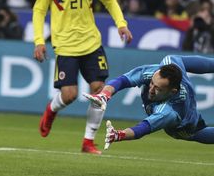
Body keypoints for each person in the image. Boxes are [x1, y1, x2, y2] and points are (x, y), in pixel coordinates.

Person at [33, 0, 133, 154]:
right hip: (66, 46)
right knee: (69, 95)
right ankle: (51, 109)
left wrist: (121, 24)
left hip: (91, 44)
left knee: (99, 92)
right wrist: (39, 40)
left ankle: (88, 141)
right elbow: (39, 11)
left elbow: (110, 0)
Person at [84, 55, 214, 147]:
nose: (151, 89)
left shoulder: (169, 112)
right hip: (177, 84)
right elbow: (122, 80)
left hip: (185, 125)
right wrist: (104, 95)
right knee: (172, 58)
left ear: (172, 91)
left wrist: (118, 135)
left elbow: (144, 128)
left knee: (197, 134)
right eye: (152, 83)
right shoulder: (155, 72)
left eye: (157, 88)